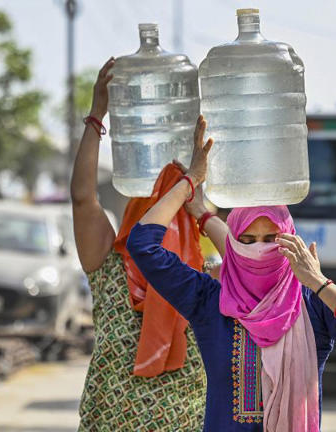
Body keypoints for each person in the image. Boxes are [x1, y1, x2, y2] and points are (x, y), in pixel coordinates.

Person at [126, 116, 336, 431]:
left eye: (271, 240)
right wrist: (190, 183)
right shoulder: (210, 300)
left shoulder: (310, 304)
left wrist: (319, 283)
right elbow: (142, 244)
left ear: (289, 240)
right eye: (247, 241)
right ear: (234, 245)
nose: (258, 251)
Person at [72, 57, 215, 431]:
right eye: (157, 207)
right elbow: (83, 197)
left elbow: (258, 251)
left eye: (171, 210)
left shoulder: (206, 284)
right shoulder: (109, 266)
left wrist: (199, 201)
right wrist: (96, 116)